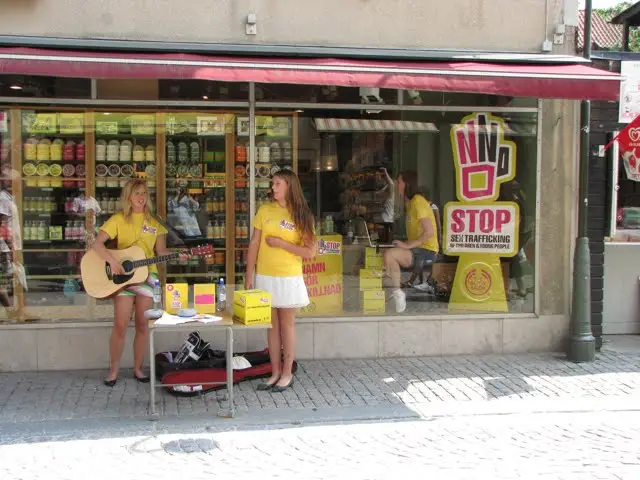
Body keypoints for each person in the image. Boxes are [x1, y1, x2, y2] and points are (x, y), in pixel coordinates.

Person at [92, 179, 188, 387]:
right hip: (124, 279)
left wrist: (177, 254)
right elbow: (97, 244)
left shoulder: (155, 222)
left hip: (148, 277)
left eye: (144, 193)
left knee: (143, 325)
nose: (141, 197)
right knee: (120, 324)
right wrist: (113, 262)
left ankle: (138, 369)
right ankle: (113, 371)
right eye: (136, 193)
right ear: (128, 196)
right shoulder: (118, 219)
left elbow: (160, 252)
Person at [245, 170, 316, 392]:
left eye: (277, 184)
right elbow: (254, 243)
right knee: (272, 326)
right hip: (265, 276)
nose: (273, 187)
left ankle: (287, 373)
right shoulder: (264, 210)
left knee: (287, 325)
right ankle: (274, 371)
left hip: (288, 277)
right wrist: (249, 274)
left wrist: (281, 244)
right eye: (273, 183)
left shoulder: (302, 214)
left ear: (289, 186)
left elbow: (310, 252)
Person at [383, 171, 439, 313]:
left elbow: (429, 232)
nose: (397, 185)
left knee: (390, 255)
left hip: (426, 251)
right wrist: (404, 243)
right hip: (418, 248)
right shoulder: (410, 203)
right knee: (387, 254)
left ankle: (397, 292)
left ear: (407, 184)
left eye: (399, 182)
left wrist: (407, 245)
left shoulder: (418, 202)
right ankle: (394, 291)